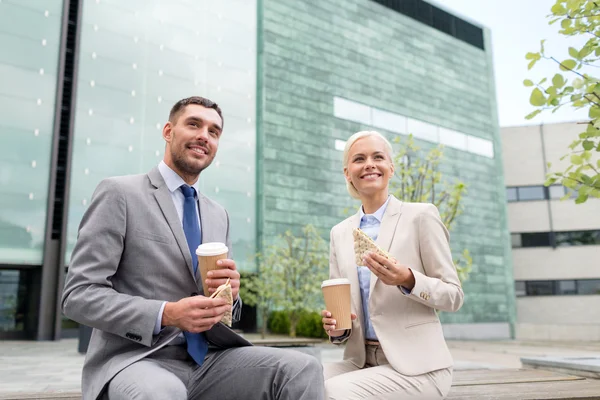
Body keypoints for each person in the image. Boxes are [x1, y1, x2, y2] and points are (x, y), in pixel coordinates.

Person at [62, 96, 324, 400]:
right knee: (162, 393)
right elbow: (78, 296)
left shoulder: (218, 214)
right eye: (194, 124)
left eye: (214, 131)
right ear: (168, 131)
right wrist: (167, 313)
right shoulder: (120, 193)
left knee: (302, 368)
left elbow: (222, 311)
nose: (204, 135)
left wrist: (231, 296)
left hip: (208, 360)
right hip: (137, 359)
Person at [321, 130, 464, 399]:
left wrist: (408, 279)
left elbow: (453, 296)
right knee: (293, 380)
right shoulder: (339, 233)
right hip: (360, 361)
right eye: (359, 159)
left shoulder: (421, 216)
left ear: (391, 168)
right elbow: (342, 312)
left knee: (332, 392)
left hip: (419, 367)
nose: (369, 164)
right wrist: (337, 329)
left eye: (378, 157)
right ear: (347, 172)